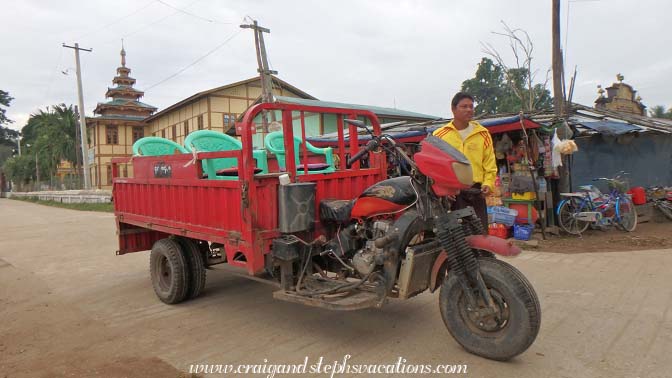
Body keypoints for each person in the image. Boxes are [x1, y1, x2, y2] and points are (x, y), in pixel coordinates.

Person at [432, 92, 497, 233]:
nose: (469, 110)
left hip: (476, 192)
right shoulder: (439, 135)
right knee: (457, 237)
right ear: (453, 109)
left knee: (480, 234)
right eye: (464, 106)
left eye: (471, 106)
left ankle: (481, 256)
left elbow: (490, 163)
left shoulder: (483, 134)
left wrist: (488, 184)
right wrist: (442, 188)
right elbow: (434, 166)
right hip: (452, 195)